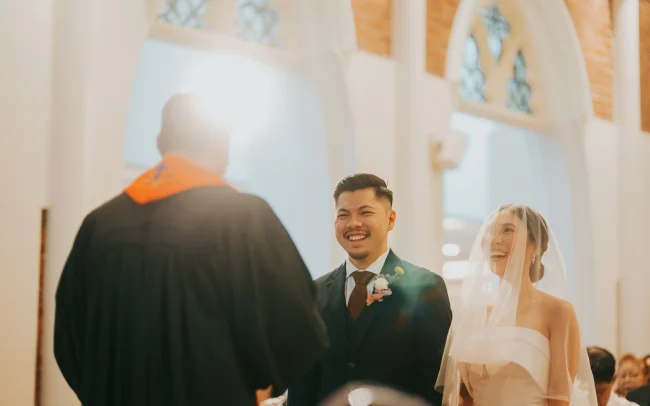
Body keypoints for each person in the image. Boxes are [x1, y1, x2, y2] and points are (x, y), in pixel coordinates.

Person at [54, 93, 329, 406]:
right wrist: (256, 383)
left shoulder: (99, 227)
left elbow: (70, 345)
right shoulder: (244, 219)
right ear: (222, 145)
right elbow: (297, 329)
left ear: (160, 144)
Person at [288, 174, 453, 405]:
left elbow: (436, 383)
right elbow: (302, 383)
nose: (353, 223)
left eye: (365, 213)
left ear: (390, 219)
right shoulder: (314, 293)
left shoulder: (426, 287)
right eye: (343, 215)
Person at [435, 204, 597, 406]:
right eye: (490, 231)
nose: (494, 240)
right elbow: (464, 398)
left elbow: (559, 400)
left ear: (535, 246)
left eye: (507, 230)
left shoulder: (557, 311)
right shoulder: (473, 315)